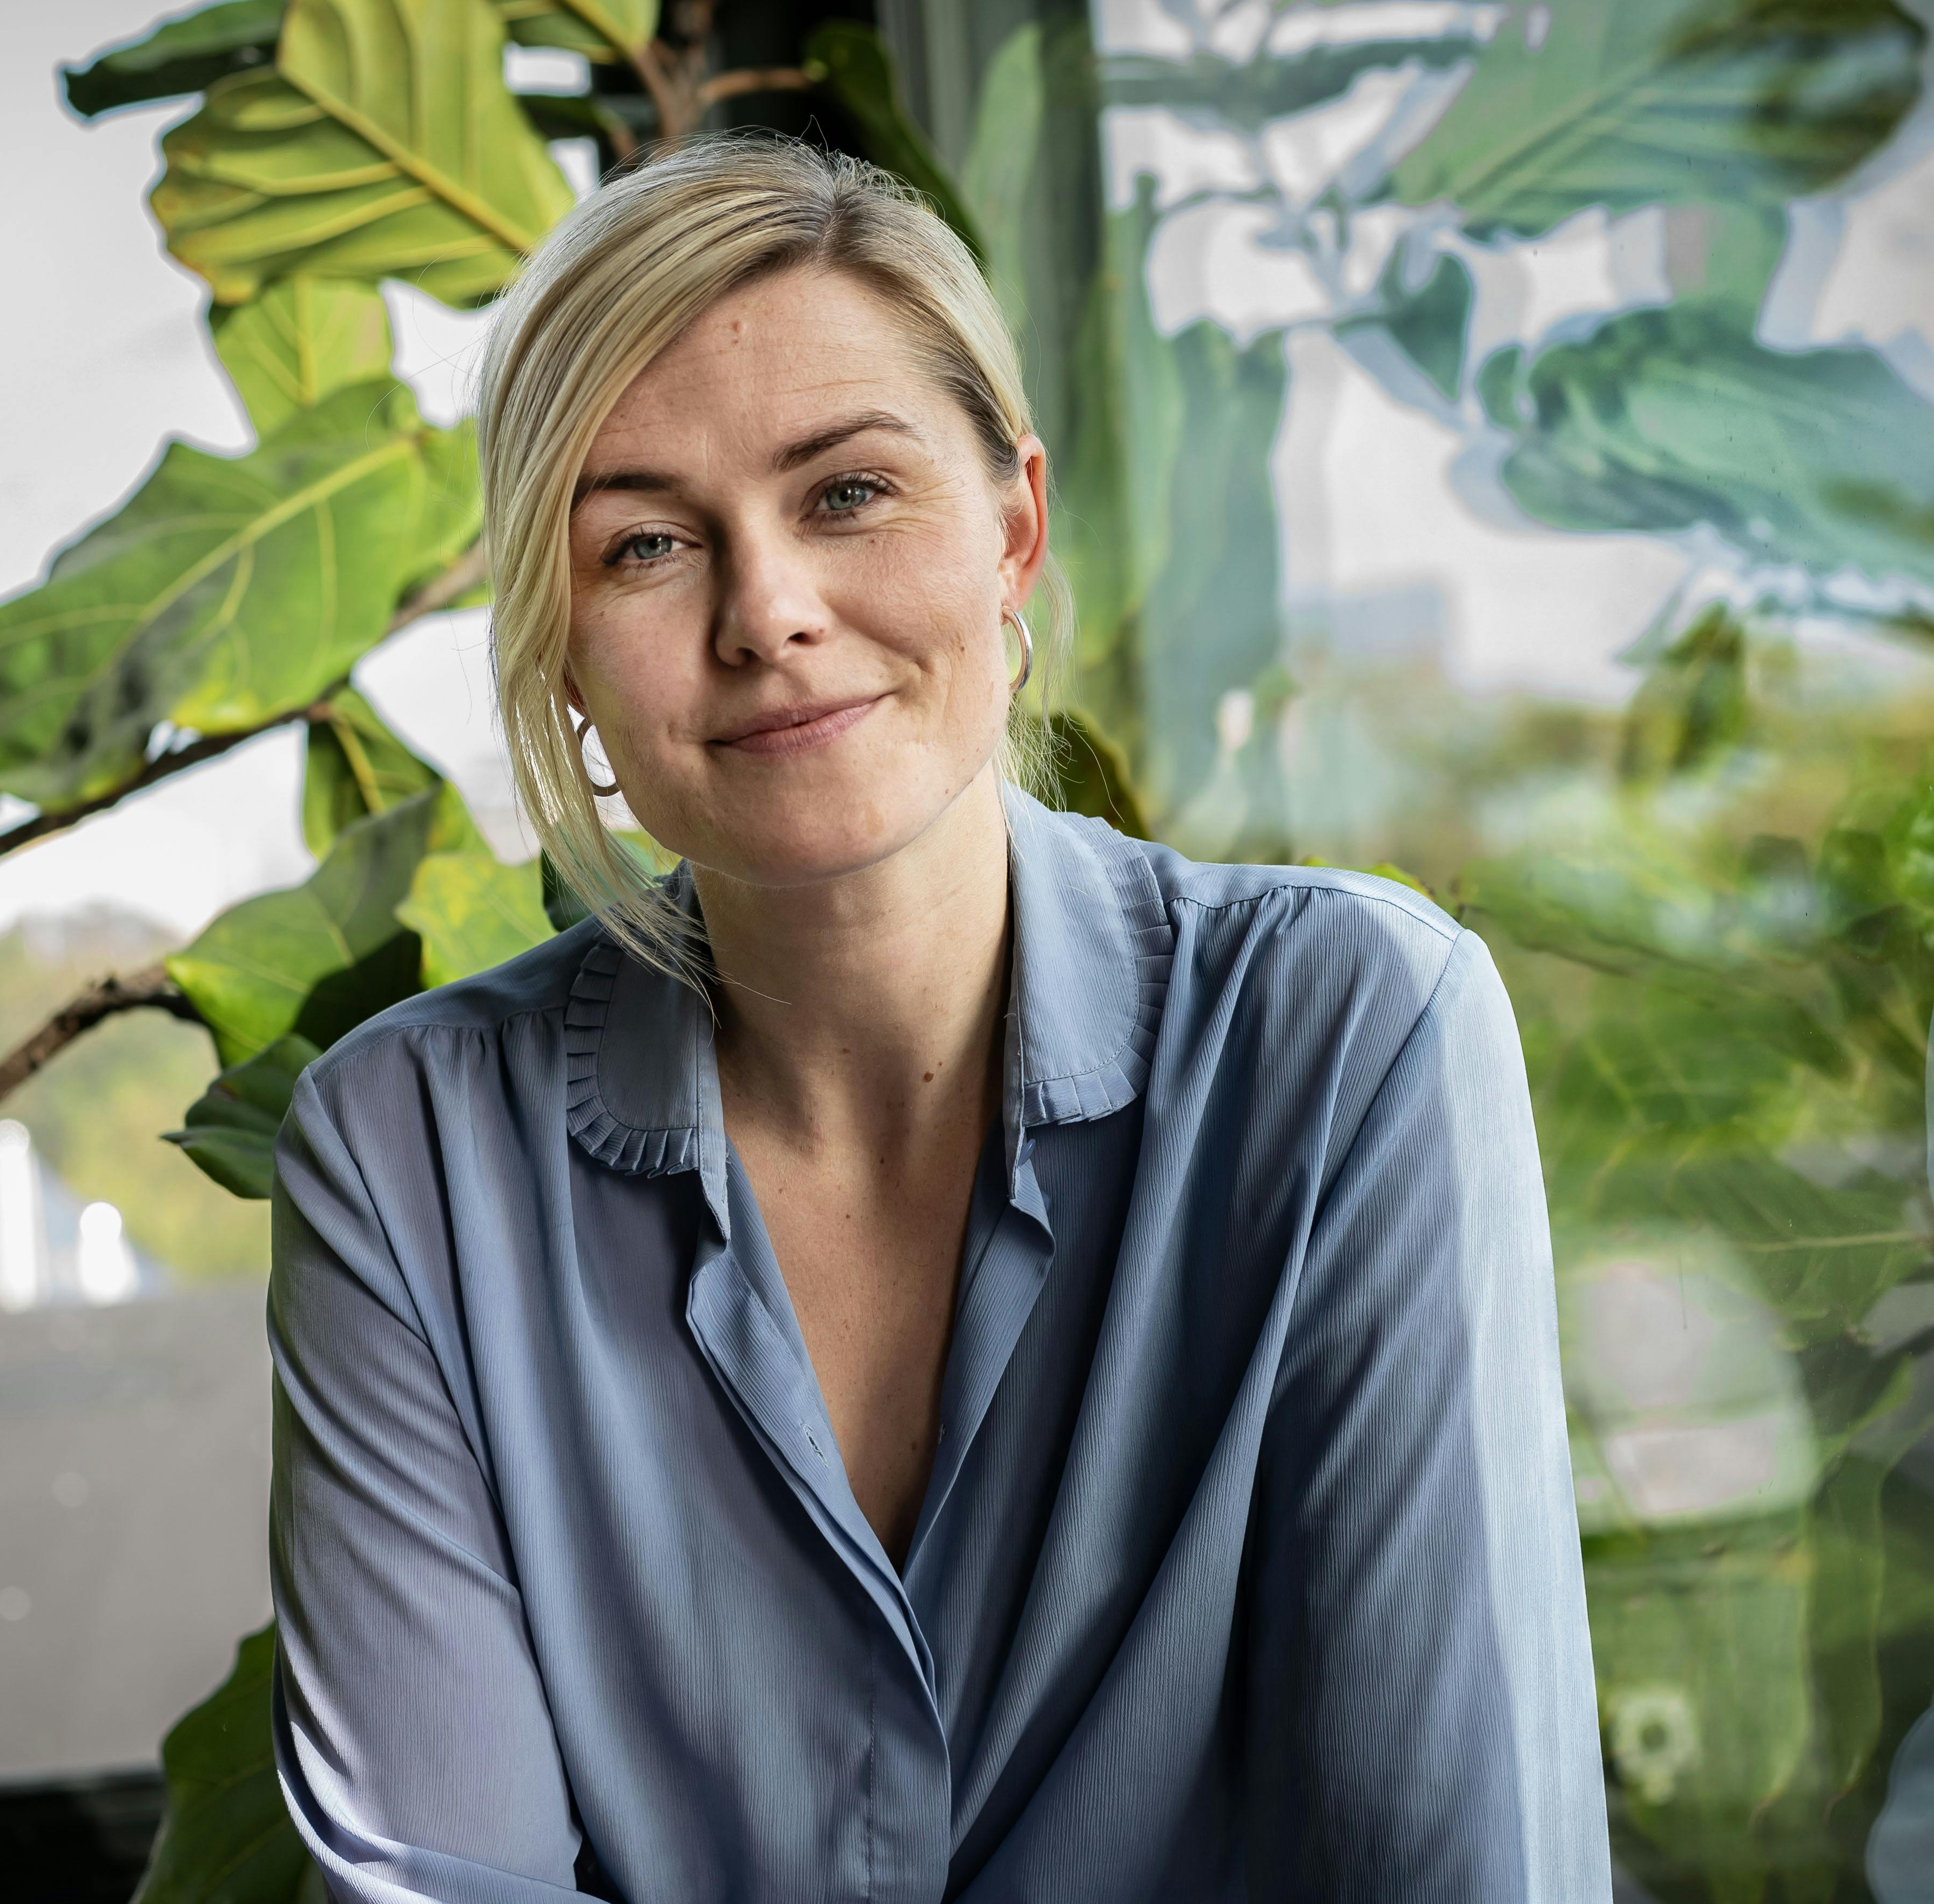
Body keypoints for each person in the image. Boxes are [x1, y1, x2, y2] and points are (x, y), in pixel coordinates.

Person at [265, 135, 1607, 1902]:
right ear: (566, 656)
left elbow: (1447, 1872)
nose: (771, 615)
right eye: (649, 544)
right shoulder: (404, 1161)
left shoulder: (1355, 1039)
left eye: (846, 496)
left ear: (1013, 535)